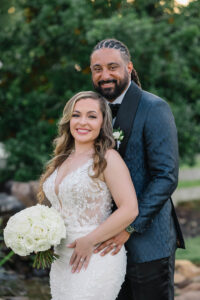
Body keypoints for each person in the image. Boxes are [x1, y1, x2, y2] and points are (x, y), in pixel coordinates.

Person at [90, 39, 185, 300]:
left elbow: (165, 176)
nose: (105, 75)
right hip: (103, 243)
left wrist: (128, 228)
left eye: (112, 67)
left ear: (129, 68)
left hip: (147, 242)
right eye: (97, 69)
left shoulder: (154, 107)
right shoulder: (90, 112)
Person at [38, 91, 138, 300]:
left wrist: (90, 240)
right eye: (76, 115)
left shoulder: (108, 158)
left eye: (92, 116)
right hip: (62, 258)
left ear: (103, 122)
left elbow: (130, 208)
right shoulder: (61, 158)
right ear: (68, 120)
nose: (82, 122)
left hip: (97, 255)